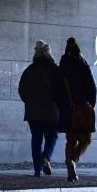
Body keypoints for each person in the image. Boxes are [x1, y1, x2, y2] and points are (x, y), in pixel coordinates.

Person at [57, 37, 97, 182]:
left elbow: (57, 89)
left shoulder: (62, 67)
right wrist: (90, 104)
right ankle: (73, 160)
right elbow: (92, 87)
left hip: (67, 109)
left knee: (71, 139)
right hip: (82, 107)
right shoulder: (83, 64)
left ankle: (70, 168)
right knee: (86, 139)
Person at [18, 40, 60, 177]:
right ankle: (46, 157)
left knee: (36, 139)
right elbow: (62, 90)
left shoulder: (29, 70)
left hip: (33, 113)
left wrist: (30, 102)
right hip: (52, 112)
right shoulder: (55, 70)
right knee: (52, 136)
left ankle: (37, 169)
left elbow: (21, 90)